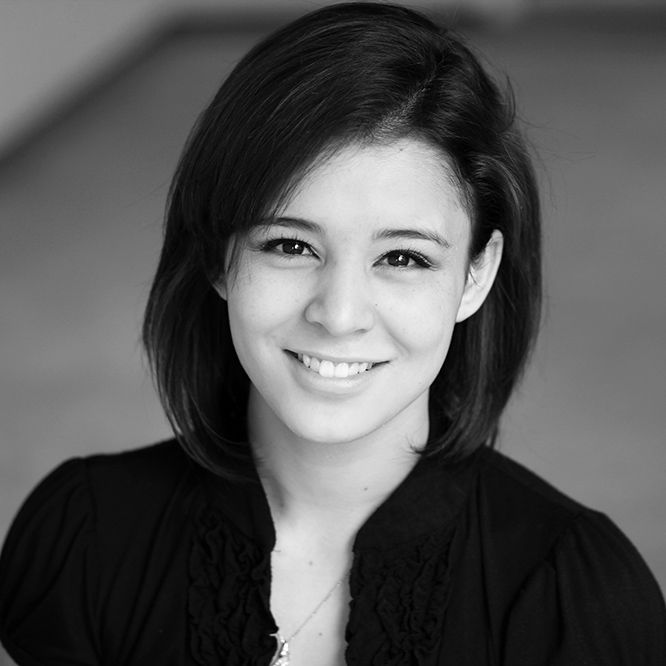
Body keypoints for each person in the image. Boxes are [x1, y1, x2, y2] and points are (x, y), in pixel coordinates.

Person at [1, 2, 664, 664]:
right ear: (217, 256)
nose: (340, 315)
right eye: (291, 246)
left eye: (403, 257)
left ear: (475, 276)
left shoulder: (576, 596)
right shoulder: (83, 540)